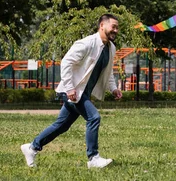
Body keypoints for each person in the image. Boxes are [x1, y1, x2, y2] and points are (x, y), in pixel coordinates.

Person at [20, 14, 123, 168]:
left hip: (82, 93)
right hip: (73, 91)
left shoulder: (110, 48)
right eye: (113, 26)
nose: (116, 30)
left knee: (62, 125)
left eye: (117, 27)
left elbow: (107, 73)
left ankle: (32, 147)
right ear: (102, 25)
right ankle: (93, 158)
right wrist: (69, 88)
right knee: (94, 117)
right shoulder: (87, 43)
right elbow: (66, 62)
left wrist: (113, 89)